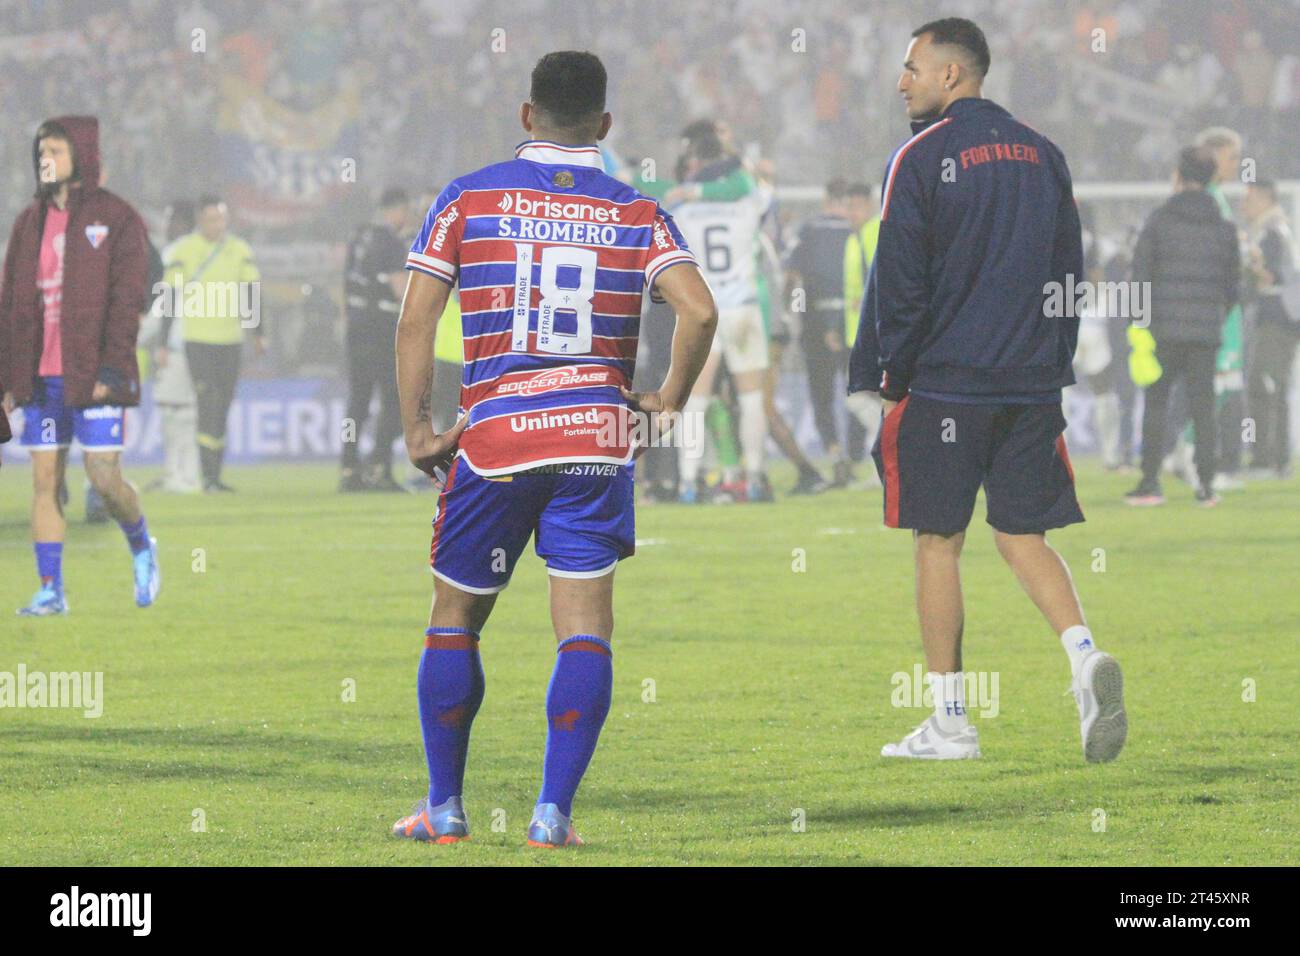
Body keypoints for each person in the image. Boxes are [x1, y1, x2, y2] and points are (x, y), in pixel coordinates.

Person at [391, 51, 716, 847]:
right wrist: (667, 403)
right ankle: (551, 814)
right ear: (604, 127)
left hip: (496, 435)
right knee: (583, 629)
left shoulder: (469, 197)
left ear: (526, 114)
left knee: (456, 619)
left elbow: (414, 322)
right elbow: (700, 314)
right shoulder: (639, 213)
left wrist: (420, 431)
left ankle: (445, 806)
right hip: (593, 438)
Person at [847, 18, 1126, 762]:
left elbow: (900, 285)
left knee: (938, 542)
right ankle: (1082, 657)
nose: (901, 80)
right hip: (1030, 385)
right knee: (1021, 535)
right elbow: (1072, 271)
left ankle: (949, 722)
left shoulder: (919, 155)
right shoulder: (1045, 153)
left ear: (951, 76)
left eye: (911, 67)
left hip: (945, 384)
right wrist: (1052, 362)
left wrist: (890, 378)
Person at [0, 116, 160, 615]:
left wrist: (112, 372)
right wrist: (8, 377)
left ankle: (141, 544)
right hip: (43, 379)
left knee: (103, 478)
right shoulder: (28, 222)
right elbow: (10, 303)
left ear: (82, 157)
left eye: (56, 151)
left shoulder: (117, 218)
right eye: (40, 151)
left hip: (94, 375)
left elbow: (127, 298)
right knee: (44, 481)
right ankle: (51, 589)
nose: (45, 159)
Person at [1126, 147, 1241, 507]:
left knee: (1156, 403)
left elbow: (1140, 276)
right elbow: (1232, 287)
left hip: (1162, 330)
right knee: (1203, 407)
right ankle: (1206, 486)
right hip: (1205, 332)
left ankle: (1149, 483)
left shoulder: (1158, 221)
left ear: (1178, 175)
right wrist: (1214, 316)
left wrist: (1140, 323)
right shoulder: (1224, 227)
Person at [670, 119, 772, 503]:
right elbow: (759, 189)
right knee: (750, 398)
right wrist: (734, 158)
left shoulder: (681, 204)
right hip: (743, 307)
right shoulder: (747, 197)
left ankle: (687, 484)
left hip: (704, 312)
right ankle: (756, 478)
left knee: (695, 400)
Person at [163, 194, 263, 492]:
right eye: (210, 219)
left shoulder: (239, 249)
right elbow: (170, 295)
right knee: (208, 403)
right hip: (198, 341)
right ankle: (207, 476)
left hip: (230, 341)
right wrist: (162, 342)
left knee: (222, 407)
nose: (216, 224)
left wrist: (257, 333)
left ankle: (213, 476)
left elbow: (250, 293)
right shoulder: (185, 250)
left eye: (220, 218)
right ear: (199, 221)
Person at [340, 187, 412, 492]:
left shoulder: (359, 238)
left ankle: (348, 469)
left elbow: (345, 282)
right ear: (396, 210)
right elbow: (400, 289)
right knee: (394, 401)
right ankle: (378, 467)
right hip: (381, 328)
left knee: (358, 401)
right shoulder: (390, 241)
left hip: (356, 327)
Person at [785, 178, 853, 490]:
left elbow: (793, 274)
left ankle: (836, 453)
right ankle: (852, 456)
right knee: (859, 392)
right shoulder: (859, 230)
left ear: (825, 200)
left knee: (822, 396)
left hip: (814, 322)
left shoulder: (809, 230)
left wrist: (792, 310)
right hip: (855, 322)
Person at [143, 200, 201, 493]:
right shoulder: (196, 250)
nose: (166, 226)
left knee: (176, 411)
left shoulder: (175, 254)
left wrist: (135, 334)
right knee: (185, 411)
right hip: (199, 342)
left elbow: (162, 304)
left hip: (177, 343)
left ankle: (182, 476)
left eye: (170, 220)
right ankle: (182, 474)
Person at [1243, 179, 1298, 478]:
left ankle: (1270, 460)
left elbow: (1272, 275)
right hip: (1278, 319)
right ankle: (1272, 458)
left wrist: (1251, 268)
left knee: (1267, 384)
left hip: (1277, 320)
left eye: (1249, 199)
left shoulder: (1272, 231)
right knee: (1268, 384)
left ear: (1265, 198)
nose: (1244, 205)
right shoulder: (1274, 229)